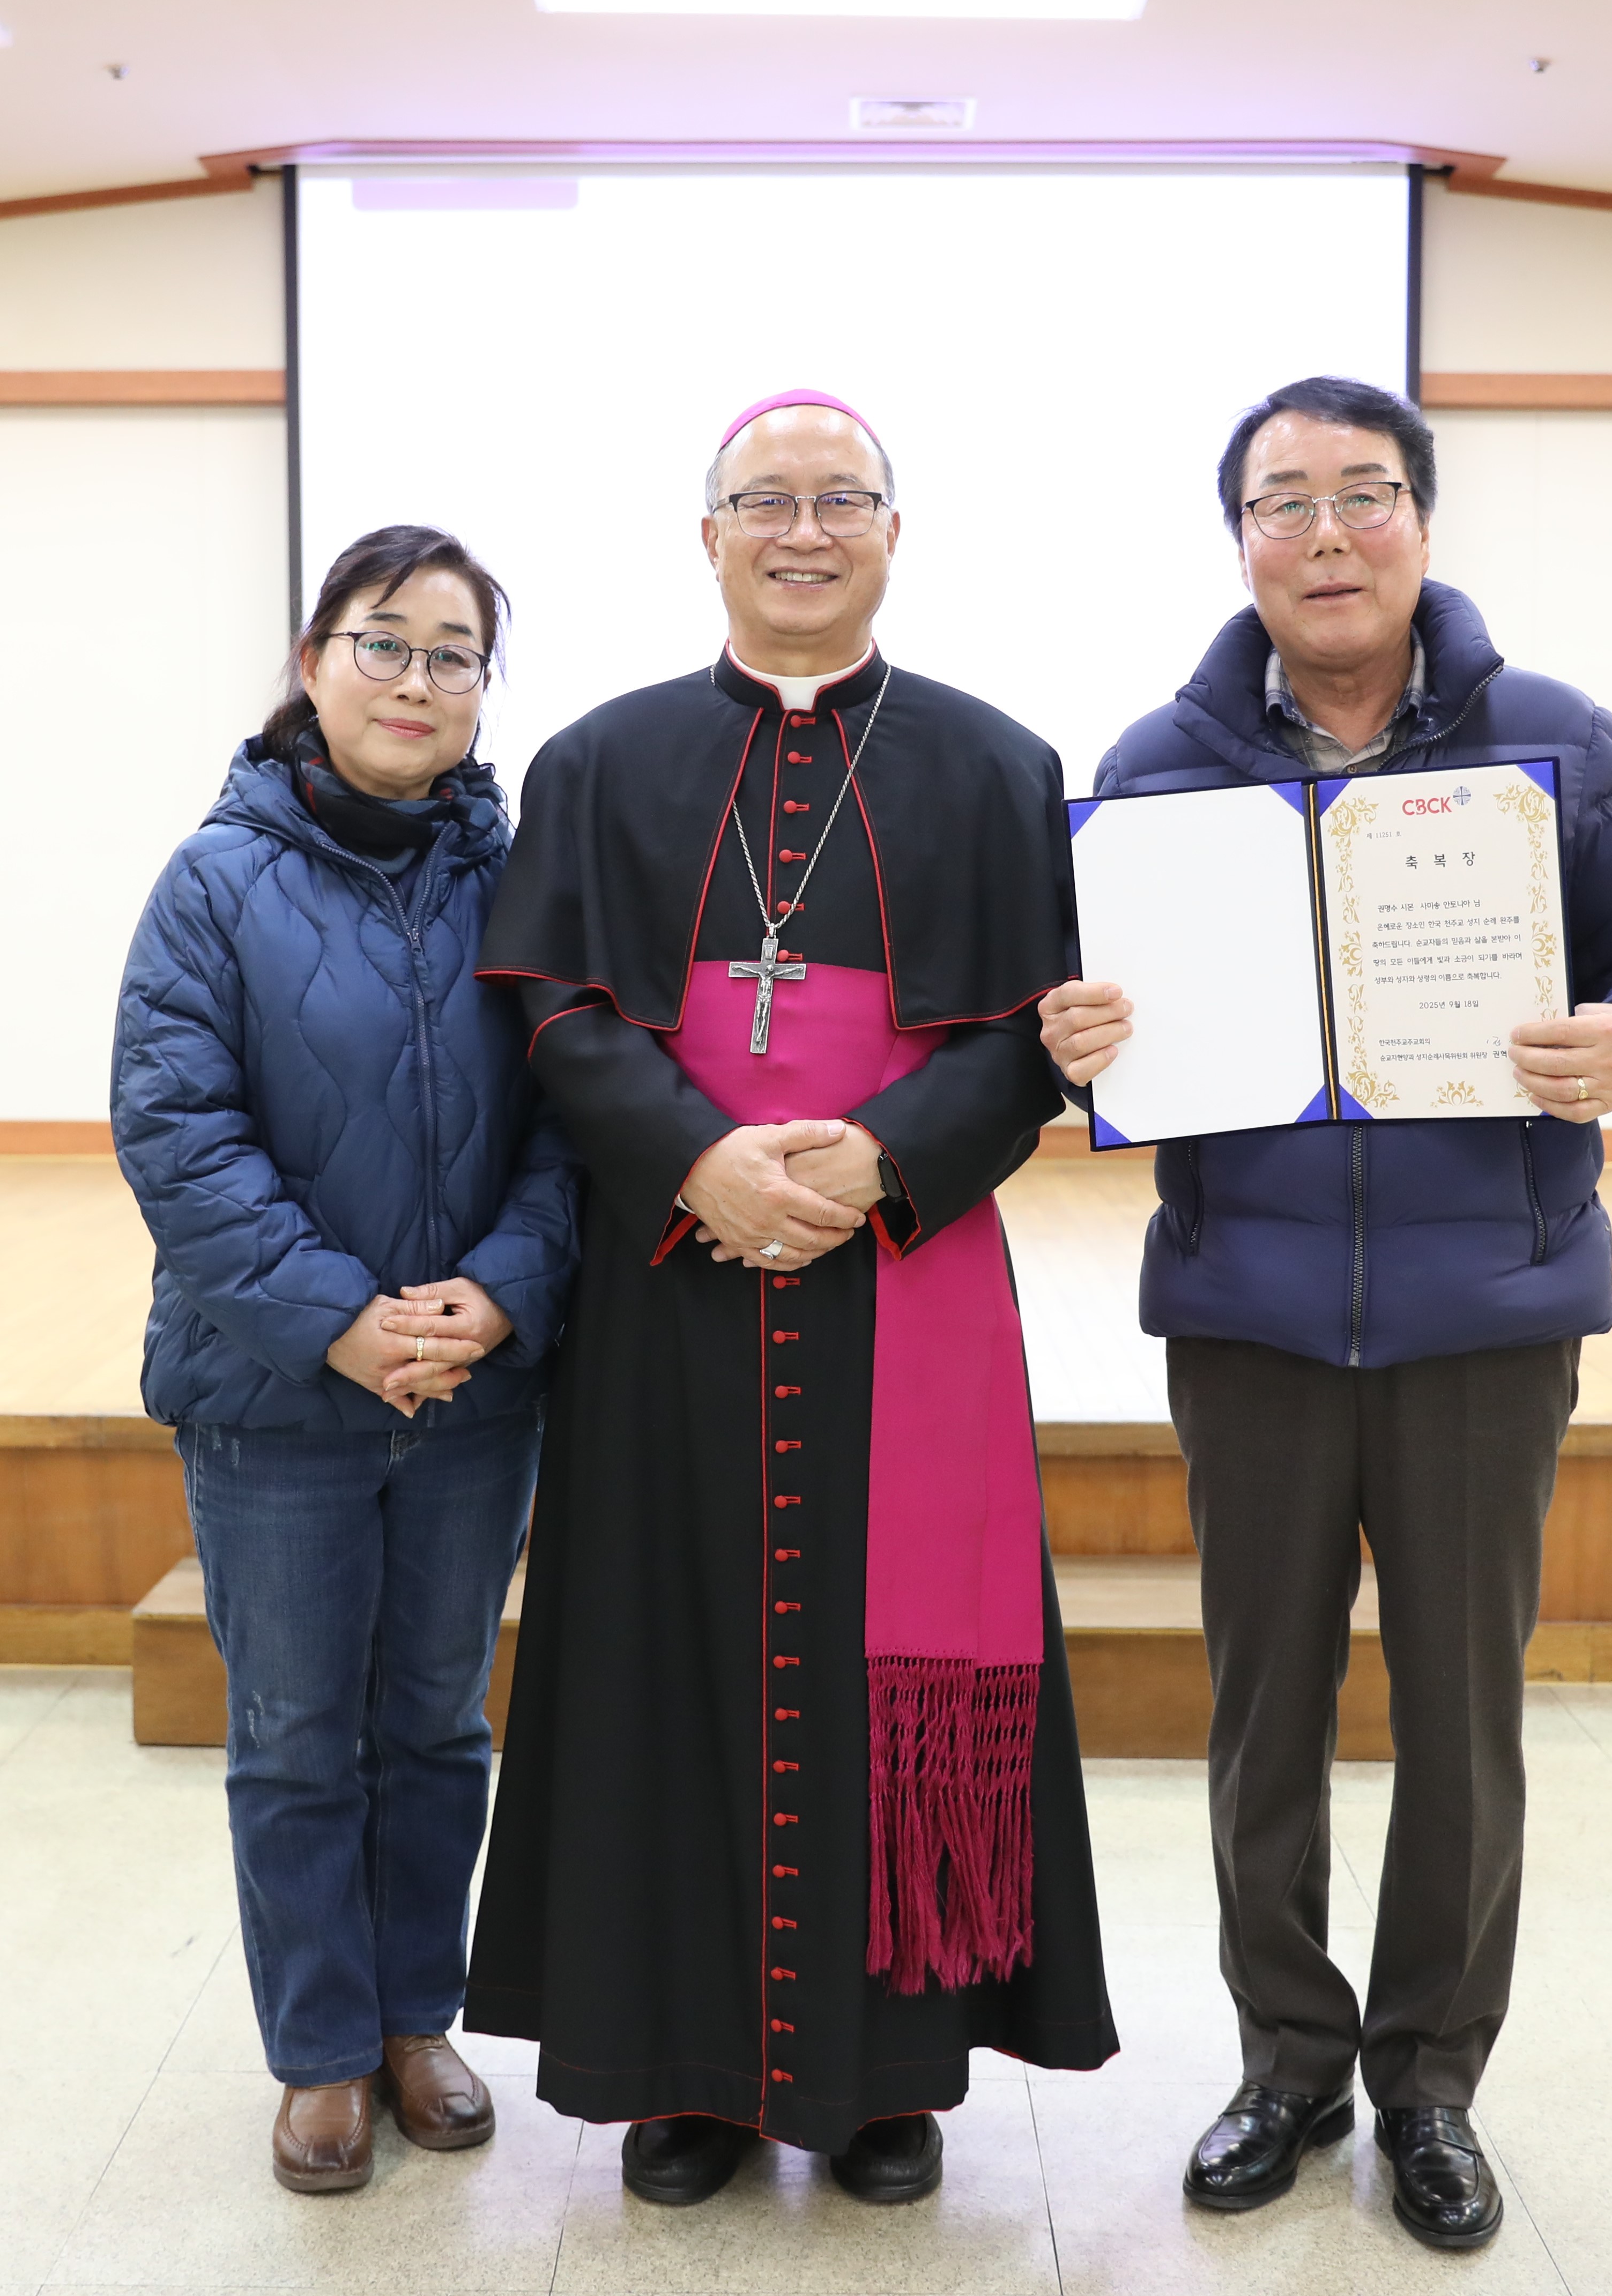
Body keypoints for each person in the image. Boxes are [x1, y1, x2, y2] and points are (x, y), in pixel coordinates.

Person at [1042, 378, 1612, 2251]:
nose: (1327, 533)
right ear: (1241, 543)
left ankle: (1431, 2081)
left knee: (1462, 1713)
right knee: (1263, 1714)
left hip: (1485, 1311)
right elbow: (1083, 1015)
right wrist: (1075, 1041)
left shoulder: (1552, 740)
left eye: (1364, 496)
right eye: (1286, 503)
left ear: (1422, 522)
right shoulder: (1161, 764)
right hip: (1249, 1311)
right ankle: (1287, 2058)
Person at [464, 391, 1117, 2206]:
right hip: (674, 1271)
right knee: (664, 1648)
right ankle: (685, 2072)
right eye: (768, 500)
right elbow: (559, 1014)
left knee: (888, 1655)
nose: (805, 530)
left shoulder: (996, 766)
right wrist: (702, 1163)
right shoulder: (598, 764)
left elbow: (1029, 1039)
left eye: (843, 500)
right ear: (709, 535)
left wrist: (879, 1164)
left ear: (896, 532)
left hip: (901, 1274)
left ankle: (888, 2070)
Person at [112, 525, 580, 2198]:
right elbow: (178, 1133)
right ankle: (319, 2049)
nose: (417, 679)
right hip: (276, 1396)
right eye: (385, 642)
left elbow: (573, 1121)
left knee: (441, 1722)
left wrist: (500, 1295)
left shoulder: (525, 874)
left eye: (454, 654)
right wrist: (341, 1319)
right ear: (315, 663)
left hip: (472, 1389)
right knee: (301, 1732)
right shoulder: (214, 879)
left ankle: (411, 2017)